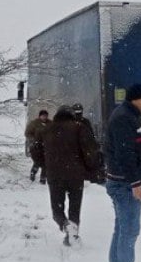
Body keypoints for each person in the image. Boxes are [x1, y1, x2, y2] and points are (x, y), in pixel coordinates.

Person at [104, 83, 141, 262]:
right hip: (124, 184)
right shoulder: (124, 118)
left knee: (121, 227)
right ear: (135, 99)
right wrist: (135, 182)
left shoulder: (129, 115)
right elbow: (125, 154)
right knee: (130, 229)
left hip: (123, 181)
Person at [42, 105, 99, 246]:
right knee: (75, 206)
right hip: (75, 174)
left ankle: (64, 223)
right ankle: (72, 234)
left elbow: (35, 149)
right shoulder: (79, 128)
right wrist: (91, 168)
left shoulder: (47, 129)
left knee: (57, 208)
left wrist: (45, 164)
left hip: (54, 175)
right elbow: (89, 150)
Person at [72, 102, 104, 183]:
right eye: (77, 112)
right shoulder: (74, 123)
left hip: (84, 147)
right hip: (79, 147)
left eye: (79, 112)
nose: (78, 114)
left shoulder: (84, 122)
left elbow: (91, 134)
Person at [24, 109, 50, 183]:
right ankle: (33, 174)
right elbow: (27, 133)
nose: (44, 117)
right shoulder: (34, 124)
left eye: (46, 116)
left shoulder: (50, 123)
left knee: (46, 163)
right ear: (40, 116)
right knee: (37, 162)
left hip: (46, 147)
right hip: (36, 147)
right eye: (43, 116)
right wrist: (34, 140)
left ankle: (43, 178)